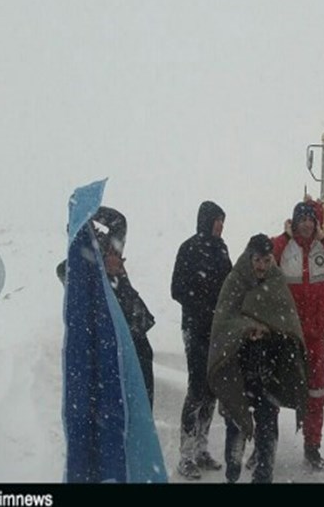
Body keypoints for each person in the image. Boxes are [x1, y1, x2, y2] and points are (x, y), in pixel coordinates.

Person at [207, 234, 308, 483]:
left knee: (268, 424)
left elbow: (287, 322)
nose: (262, 266)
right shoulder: (235, 281)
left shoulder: (276, 281)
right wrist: (246, 329)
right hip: (238, 367)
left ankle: (264, 476)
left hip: (268, 367)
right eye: (257, 260)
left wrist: (270, 331)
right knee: (235, 423)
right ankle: (232, 474)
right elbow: (224, 321)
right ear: (248, 257)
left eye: (266, 260)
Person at [270, 197, 324, 470]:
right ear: (294, 222)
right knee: (273, 392)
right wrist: (285, 236)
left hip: (315, 335)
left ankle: (312, 445)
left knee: (316, 393)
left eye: (310, 220)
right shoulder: (283, 245)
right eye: (301, 220)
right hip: (288, 335)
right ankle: (264, 446)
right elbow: (265, 257)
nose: (306, 225)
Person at [57, 206, 157, 409]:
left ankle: (143, 417)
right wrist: (102, 267)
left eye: (91, 228)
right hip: (108, 336)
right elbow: (68, 279)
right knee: (118, 394)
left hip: (132, 324)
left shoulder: (108, 248)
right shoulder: (73, 267)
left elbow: (118, 221)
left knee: (142, 383)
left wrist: (88, 209)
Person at [171, 200, 233, 480]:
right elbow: (176, 289)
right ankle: (185, 455)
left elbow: (231, 283)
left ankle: (201, 449)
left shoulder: (221, 249)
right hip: (195, 329)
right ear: (206, 221)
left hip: (217, 330)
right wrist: (203, 304)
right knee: (197, 389)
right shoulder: (188, 249)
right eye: (217, 220)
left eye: (223, 221)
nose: (221, 225)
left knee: (212, 390)